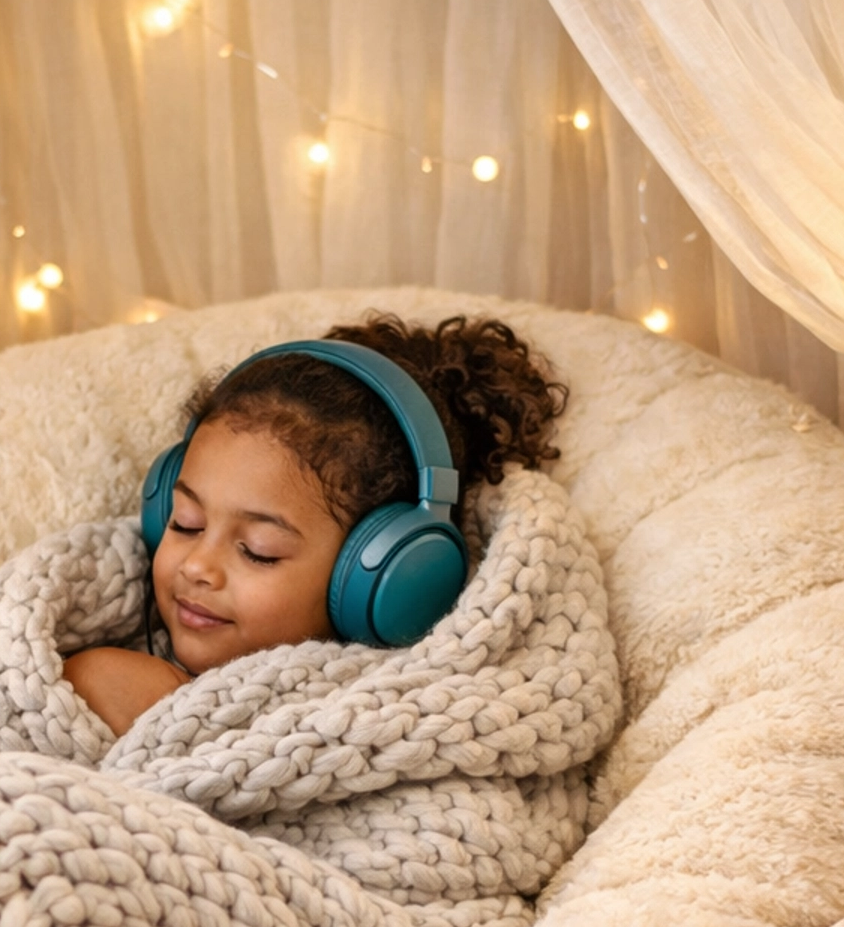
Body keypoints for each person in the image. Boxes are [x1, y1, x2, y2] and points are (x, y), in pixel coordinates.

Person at [64, 312, 566, 737]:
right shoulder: (101, 663)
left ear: (386, 577)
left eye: (258, 550)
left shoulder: (408, 718)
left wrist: (182, 715)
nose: (197, 566)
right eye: (186, 523)